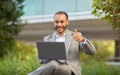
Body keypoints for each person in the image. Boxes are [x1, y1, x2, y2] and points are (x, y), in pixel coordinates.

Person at [28, 11, 96, 75]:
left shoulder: (76, 35)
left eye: (62, 22)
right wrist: (49, 55)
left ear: (67, 22)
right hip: (54, 69)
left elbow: (92, 52)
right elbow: (42, 61)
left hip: (71, 70)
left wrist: (83, 40)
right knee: (53, 63)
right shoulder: (47, 38)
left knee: (53, 64)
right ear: (54, 23)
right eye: (56, 22)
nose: (59, 24)